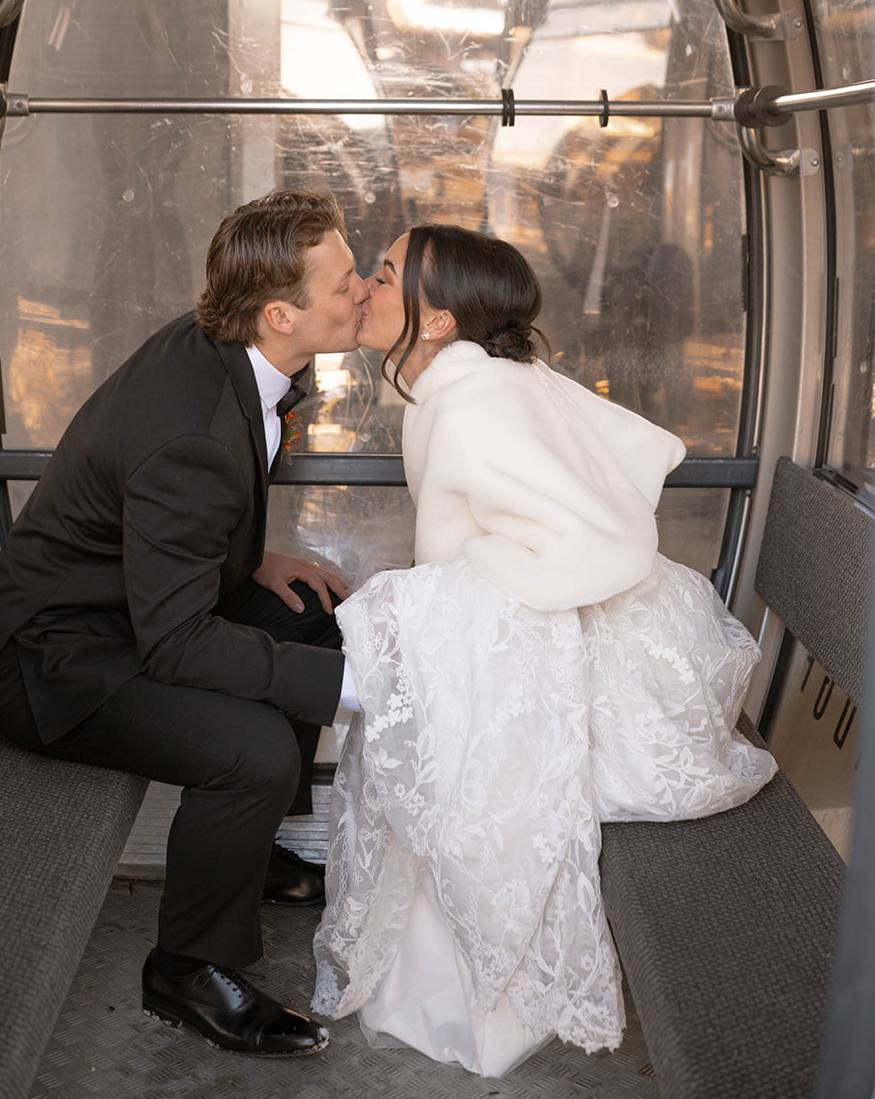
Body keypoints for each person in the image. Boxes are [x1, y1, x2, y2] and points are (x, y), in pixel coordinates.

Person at [312, 223, 777, 1077]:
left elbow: (608, 541)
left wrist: (454, 596)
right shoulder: (459, 382)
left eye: (382, 275)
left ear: (440, 320)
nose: (365, 290)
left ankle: (479, 1003)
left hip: (576, 649)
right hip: (530, 627)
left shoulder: (474, 399)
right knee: (419, 698)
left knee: (445, 737)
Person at [0, 190, 370, 1059]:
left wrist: (253, 560)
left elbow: (157, 521)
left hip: (124, 612)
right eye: (343, 283)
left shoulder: (222, 351)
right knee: (251, 747)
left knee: (313, 613)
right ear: (279, 312)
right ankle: (188, 969)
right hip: (50, 664)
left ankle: (246, 856)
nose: (363, 289)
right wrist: (354, 691)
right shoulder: (190, 425)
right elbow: (178, 640)